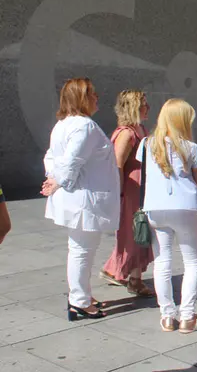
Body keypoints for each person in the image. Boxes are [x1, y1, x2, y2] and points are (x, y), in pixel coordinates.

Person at [42, 78, 120, 321]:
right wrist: (58, 180)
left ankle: (82, 295)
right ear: (81, 98)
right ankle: (79, 301)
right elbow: (71, 162)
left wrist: (53, 178)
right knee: (82, 250)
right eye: (92, 94)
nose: (97, 98)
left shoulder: (62, 125)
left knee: (80, 249)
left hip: (78, 199)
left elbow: (51, 158)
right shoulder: (85, 126)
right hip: (84, 201)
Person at [138, 99, 197, 333]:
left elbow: (142, 174)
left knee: (162, 262)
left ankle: (167, 316)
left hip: (155, 207)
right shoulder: (191, 148)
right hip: (185, 207)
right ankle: (187, 316)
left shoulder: (146, 144)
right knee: (192, 262)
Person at [100, 90, 154, 297]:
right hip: (130, 192)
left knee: (139, 233)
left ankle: (119, 271)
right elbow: (117, 165)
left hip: (140, 190)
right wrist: (119, 193)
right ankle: (133, 279)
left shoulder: (139, 129)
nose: (148, 108)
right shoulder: (126, 133)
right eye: (143, 104)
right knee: (134, 234)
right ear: (133, 108)